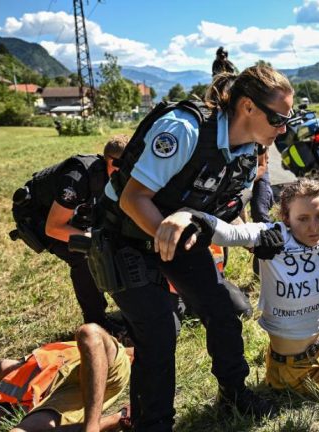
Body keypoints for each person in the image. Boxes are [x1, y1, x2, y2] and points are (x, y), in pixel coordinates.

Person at [97, 65, 294, 429]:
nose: (284, 128)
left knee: (223, 308)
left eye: (288, 119)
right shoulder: (184, 129)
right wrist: (169, 232)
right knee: (159, 329)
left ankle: (235, 394)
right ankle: (152, 424)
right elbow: (132, 198)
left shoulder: (249, 153)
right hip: (126, 233)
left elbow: (221, 212)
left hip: (176, 232)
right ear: (248, 107)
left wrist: (253, 239)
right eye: (279, 118)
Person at [155, 177, 319, 395]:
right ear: (286, 218)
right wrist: (190, 214)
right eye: (302, 218)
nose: (314, 227)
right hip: (296, 367)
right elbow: (228, 234)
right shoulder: (272, 237)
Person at [9, 135, 129, 335]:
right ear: (112, 163)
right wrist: (95, 241)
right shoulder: (78, 177)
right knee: (85, 255)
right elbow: (54, 227)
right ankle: (96, 323)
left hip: (70, 213)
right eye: (129, 166)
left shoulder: (112, 174)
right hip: (39, 217)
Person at [0, 324, 132, 432]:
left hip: (100, 365)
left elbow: (114, 350)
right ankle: (119, 418)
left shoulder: (41, 352)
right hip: (65, 395)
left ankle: (91, 428)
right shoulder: (7, 388)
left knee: (88, 332)